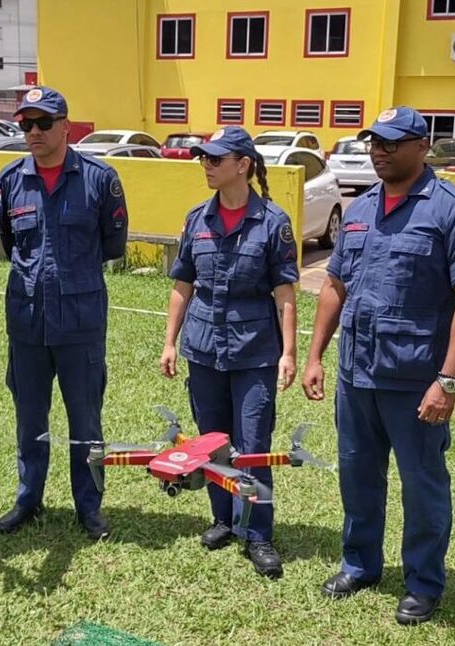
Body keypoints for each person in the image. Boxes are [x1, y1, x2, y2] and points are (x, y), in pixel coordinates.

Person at [301, 107, 455, 624]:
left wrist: (447, 380)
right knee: (358, 477)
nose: (378, 150)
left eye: (391, 142)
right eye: (373, 142)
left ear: (422, 145)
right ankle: (360, 564)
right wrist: (316, 354)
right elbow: (335, 285)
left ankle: (423, 583)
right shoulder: (360, 208)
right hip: (356, 374)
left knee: (422, 482)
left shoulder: (452, 209)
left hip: (415, 381)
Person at [160, 126, 299, 579]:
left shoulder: (273, 222)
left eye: (216, 159)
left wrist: (289, 352)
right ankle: (223, 519)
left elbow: (285, 293)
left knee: (253, 447)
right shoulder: (196, 218)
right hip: (203, 349)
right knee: (212, 441)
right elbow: (184, 285)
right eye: (204, 158)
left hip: (255, 352)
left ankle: (258, 534)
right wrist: (169, 342)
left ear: (243, 165)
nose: (207, 165)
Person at [0, 86, 128, 540]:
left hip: (80, 322)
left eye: (43, 123)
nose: (33, 132)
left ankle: (89, 507)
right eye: (25, 124)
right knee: (30, 418)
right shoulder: (11, 180)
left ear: (66, 125)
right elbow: (12, 246)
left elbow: (112, 244)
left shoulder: (99, 179)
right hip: (28, 323)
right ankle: (28, 499)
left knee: (85, 421)